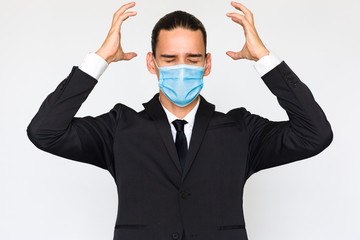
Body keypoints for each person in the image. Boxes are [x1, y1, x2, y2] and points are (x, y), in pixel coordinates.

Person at [27, 1, 333, 240]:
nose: (181, 68)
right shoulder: (120, 128)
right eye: (170, 59)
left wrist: (265, 58)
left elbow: (315, 135)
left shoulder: (241, 130)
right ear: (152, 63)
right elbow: (45, 132)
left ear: (207, 63)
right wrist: (99, 60)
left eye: (193, 58)